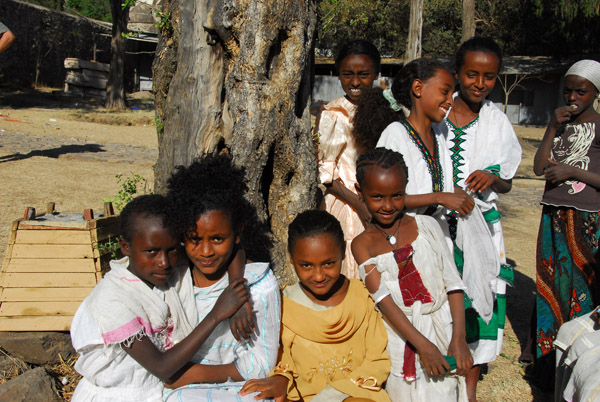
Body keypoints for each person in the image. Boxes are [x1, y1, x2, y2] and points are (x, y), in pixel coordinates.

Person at [70, 194, 250, 401]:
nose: (164, 262)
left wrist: (238, 296)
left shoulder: (174, 265)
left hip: (162, 393)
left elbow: (234, 249)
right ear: (125, 247)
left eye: (172, 249)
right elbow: (161, 367)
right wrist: (216, 315)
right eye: (151, 251)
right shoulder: (111, 298)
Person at [436, 37, 522, 400]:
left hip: (482, 229)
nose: (479, 83)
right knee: (440, 299)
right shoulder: (436, 114)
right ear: (457, 73)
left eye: (489, 76)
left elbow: (507, 182)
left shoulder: (496, 121)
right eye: (472, 74)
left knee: (480, 299)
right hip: (438, 226)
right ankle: (438, 374)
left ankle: (468, 386)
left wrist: (492, 177)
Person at [352, 148, 472, 401]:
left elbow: (453, 283)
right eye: (377, 197)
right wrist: (422, 346)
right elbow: (382, 299)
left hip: (442, 330)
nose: (388, 205)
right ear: (359, 193)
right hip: (400, 336)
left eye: (397, 195)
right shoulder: (362, 245)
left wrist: (458, 338)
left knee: (445, 391)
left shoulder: (427, 226)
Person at [240, 210, 391, 402]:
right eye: (306, 266)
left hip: (357, 395)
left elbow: (376, 359)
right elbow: (282, 358)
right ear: (291, 258)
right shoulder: (285, 305)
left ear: (343, 252)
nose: (319, 276)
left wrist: (334, 396)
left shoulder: (363, 297)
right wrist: (280, 379)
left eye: (328, 263)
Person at [163, 154, 280, 401]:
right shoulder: (171, 279)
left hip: (237, 390)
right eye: (194, 239)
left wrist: (194, 374)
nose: (206, 252)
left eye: (217, 239)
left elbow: (260, 364)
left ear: (238, 233)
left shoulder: (259, 285)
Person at [530, 59, 600, 386]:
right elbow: (538, 167)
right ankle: (547, 364)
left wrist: (573, 172)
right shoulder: (559, 125)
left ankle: (578, 365)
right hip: (552, 216)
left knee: (584, 289)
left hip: (588, 220)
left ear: (595, 93)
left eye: (581, 91)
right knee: (552, 287)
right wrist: (551, 127)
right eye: (568, 91)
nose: (573, 97)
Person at [316, 39, 381, 279]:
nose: (355, 82)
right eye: (347, 74)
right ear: (338, 75)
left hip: (378, 203)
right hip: (346, 205)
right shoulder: (334, 114)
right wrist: (360, 205)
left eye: (363, 74)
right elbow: (327, 175)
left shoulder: (385, 110)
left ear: (376, 73)